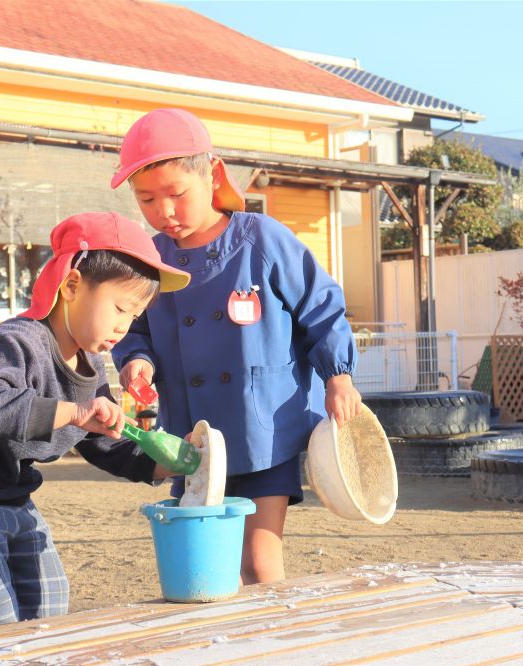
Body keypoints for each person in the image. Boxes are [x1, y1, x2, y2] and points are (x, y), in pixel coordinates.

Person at [0, 211, 190, 630]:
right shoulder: (20, 341)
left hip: (8, 489)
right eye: (120, 308)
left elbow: (106, 443)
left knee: (47, 601)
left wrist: (174, 462)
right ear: (71, 286)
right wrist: (73, 413)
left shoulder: (89, 365)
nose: (124, 327)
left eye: (134, 317)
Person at [111, 108, 363, 585]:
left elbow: (321, 307)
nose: (163, 211)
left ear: (212, 174)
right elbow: (130, 325)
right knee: (207, 565)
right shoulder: (149, 260)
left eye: (176, 194)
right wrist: (136, 362)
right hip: (193, 439)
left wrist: (339, 375)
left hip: (263, 430)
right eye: (146, 199)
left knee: (258, 563)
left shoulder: (262, 240)